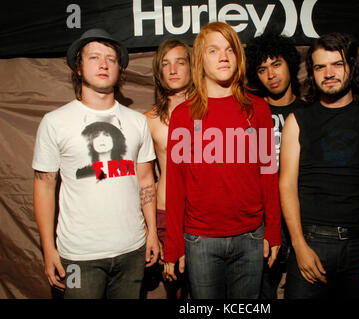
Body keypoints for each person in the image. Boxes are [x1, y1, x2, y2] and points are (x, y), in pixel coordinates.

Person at [32, 28, 160, 299]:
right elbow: (44, 187)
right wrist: (48, 248)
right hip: (79, 256)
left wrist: (152, 234)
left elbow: (147, 179)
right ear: (78, 68)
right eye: (94, 57)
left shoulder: (137, 121)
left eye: (111, 59)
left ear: (119, 69)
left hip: (132, 251)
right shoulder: (54, 122)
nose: (103, 64)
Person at [164, 21, 282, 299]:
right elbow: (176, 183)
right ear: (200, 60)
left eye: (230, 49)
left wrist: (273, 230)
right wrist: (173, 246)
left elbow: (269, 172)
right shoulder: (183, 115)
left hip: (251, 236)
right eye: (213, 50)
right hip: (200, 239)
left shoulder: (259, 109)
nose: (224, 56)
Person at [279, 32, 359, 299]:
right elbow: (286, 185)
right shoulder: (297, 120)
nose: (329, 73)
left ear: (352, 67)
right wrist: (299, 246)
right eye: (320, 66)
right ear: (312, 72)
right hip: (313, 245)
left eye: (337, 64)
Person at [245, 32, 305, 299]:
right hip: (262, 220)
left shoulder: (312, 112)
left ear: (290, 64)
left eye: (276, 64)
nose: (271, 74)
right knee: (260, 295)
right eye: (262, 69)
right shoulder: (249, 114)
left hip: (304, 218)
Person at [144, 38, 193, 299]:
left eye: (180, 62)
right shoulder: (149, 120)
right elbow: (143, 179)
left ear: (191, 67)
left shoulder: (210, 113)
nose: (173, 70)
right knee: (174, 289)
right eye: (166, 64)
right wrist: (148, 227)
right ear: (159, 72)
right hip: (165, 212)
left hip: (203, 214)